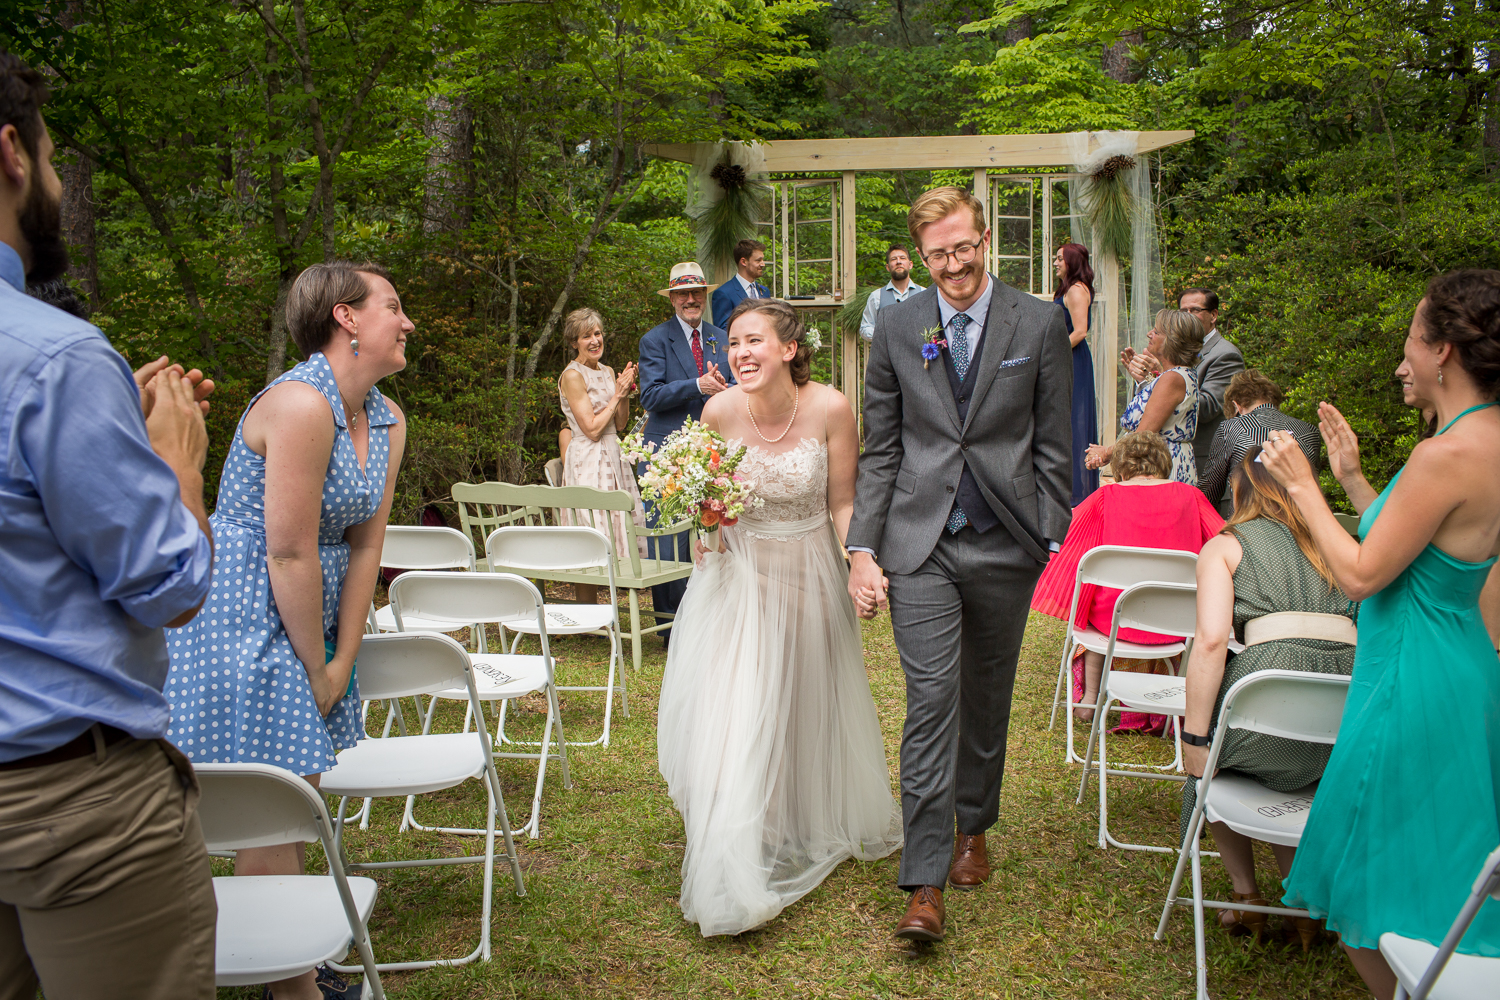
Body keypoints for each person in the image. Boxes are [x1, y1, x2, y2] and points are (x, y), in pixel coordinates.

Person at [0, 50, 219, 999]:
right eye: (51, 160)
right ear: (10, 153)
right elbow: (169, 586)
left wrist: (102, 451)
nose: (54, 180)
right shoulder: (53, 357)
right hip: (68, 799)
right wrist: (175, 467)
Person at [165, 260, 409, 1000]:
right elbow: (288, 549)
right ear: (346, 318)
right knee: (277, 796)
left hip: (316, 613)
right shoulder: (301, 404)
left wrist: (345, 655)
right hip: (247, 612)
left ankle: (290, 964)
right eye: (392, 307)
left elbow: (367, 544)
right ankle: (293, 983)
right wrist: (315, 667)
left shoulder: (390, 418)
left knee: (293, 794)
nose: (406, 321)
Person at [1260, 269, 1500, 998]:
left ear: (1445, 353)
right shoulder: (1486, 440)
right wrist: (1356, 482)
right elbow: (1429, 553)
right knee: (1445, 873)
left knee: (1371, 872)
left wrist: (1303, 487)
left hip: (1407, 679)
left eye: (1410, 343)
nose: (1403, 361)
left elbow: (1364, 574)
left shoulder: (1445, 454)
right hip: (1464, 670)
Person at [846, 185, 1072, 942]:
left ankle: (977, 822)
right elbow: (881, 447)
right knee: (933, 699)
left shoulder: (1037, 321)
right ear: (922, 253)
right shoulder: (899, 325)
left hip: (1006, 539)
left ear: (984, 240)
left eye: (963, 248)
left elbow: (1052, 442)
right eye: (938, 253)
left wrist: (1048, 530)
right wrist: (864, 545)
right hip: (922, 543)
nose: (953, 265)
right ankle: (924, 879)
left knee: (986, 694)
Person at [658, 298, 902, 936]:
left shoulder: (830, 407)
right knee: (737, 706)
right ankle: (735, 850)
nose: (739, 353)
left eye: (753, 341)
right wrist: (707, 527)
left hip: (809, 572)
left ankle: (791, 820)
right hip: (736, 578)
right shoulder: (715, 411)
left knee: (796, 699)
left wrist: (861, 562)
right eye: (733, 342)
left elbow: (843, 502)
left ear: (789, 349)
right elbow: (707, 501)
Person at [1181, 447, 1358, 950]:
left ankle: (1246, 896)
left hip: (1265, 691)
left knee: (1210, 764)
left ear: (1241, 490)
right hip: (1342, 717)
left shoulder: (1227, 544)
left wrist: (1195, 735)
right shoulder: (1340, 540)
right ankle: (1300, 902)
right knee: (1296, 777)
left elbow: (1212, 641)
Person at [1031, 431, 1223, 726]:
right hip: (1180, 622)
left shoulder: (1106, 497)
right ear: (1164, 464)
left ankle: (1091, 698)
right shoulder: (1192, 497)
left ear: (1120, 468)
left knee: (1097, 613)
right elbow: (1221, 540)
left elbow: (1071, 537)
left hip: (1117, 620)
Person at [638, 261, 735, 644]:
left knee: (717, 532)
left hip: (716, 449)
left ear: (705, 295)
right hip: (668, 453)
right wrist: (698, 384)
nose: (691, 299)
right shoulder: (654, 340)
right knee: (670, 540)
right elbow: (650, 396)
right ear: (673, 298)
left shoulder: (723, 336)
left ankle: (713, 619)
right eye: (683, 293)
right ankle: (671, 628)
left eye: (697, 292)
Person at [557, 306, 645, 603]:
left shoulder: (607, 371)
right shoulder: (572, 375)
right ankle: (587, 609)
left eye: (597, 333)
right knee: (592, 526)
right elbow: (592, 429)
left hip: (612, 453)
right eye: (586, 336)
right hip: (587, 457)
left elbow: (619, 424)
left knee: (619, 523)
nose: (595, 340)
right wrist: (617, 395)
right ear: (574, 342)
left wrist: (625, 392)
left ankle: (613, 611)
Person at [1127, 288, 1245, 473]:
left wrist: (1160, 378)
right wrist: (1147, 379)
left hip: (1200, 458)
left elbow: (1207, 407)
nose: (1188, 315)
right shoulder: (1171, 364)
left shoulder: (1225, 355)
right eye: (1183, 311)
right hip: (1159, 458)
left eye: (1195, 310)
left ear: (1213, 315)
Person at [1087, 309, 1206, 484]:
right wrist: (1146, 380)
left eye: (1156, 332)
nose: (1149, 334)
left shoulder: (1172, 378)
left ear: (1172, 341)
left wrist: (1106, 452)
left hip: (1162, 467)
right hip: (1163, 462)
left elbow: (1144, 433)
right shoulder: (1179, 374)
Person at [1198, 369, 1319, 517]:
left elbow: (1208, 493)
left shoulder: (1230, 427)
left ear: (1236, 405)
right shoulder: (1309, 430)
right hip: (1300, 524)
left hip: (1247, 523)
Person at [1054, 242, 1098, 505]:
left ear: (1072, 261)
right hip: (1067, 358)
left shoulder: (1076, 290)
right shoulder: (1067, 289)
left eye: (1060, 258)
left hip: (1073, 361)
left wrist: (1053, 353)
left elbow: (1080, 331)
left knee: (1074, 420)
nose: (1056, 262)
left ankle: (1077, 495)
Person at [859, 244, 925, 340]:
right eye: (894, 259)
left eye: (902, 258)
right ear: (888, 267)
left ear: (910, 264)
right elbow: (865, 328)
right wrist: (885, 334)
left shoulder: (924, 293)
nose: (898, 262)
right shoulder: (876, 296)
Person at [709, 238, 770, 326]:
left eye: (762, 260)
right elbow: (723, 332)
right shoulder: (724, 293)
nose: (763, 264)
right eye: (758, 260)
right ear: (744, 262)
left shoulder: (765, 291)